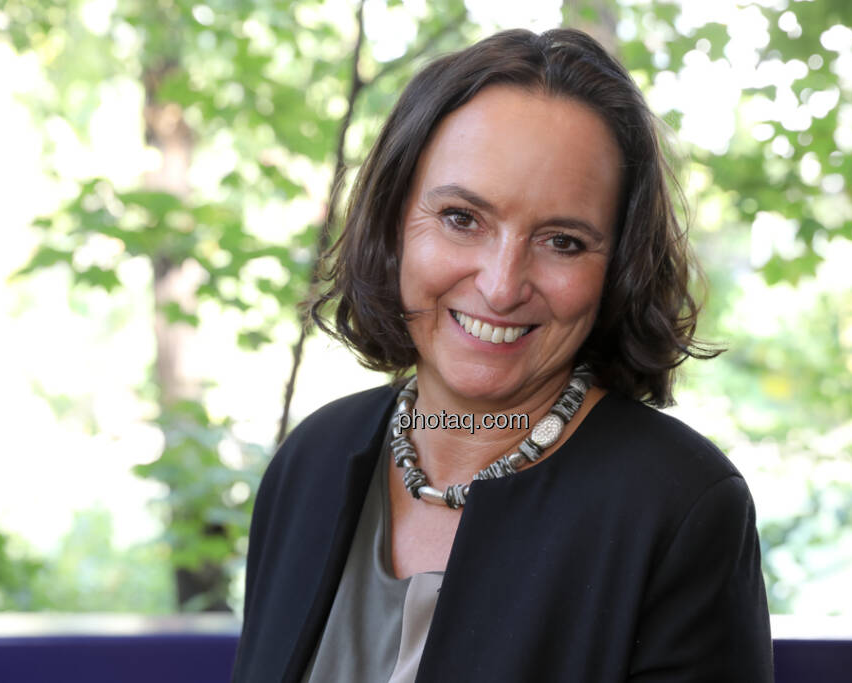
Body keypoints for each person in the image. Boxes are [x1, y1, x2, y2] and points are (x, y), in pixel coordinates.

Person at [232, 28, 772, 683]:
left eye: (563, 241)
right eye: (463, 218)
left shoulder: (681, 506)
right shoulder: (311, 461)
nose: (501, 285)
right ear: (394, 223)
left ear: (617, 268)